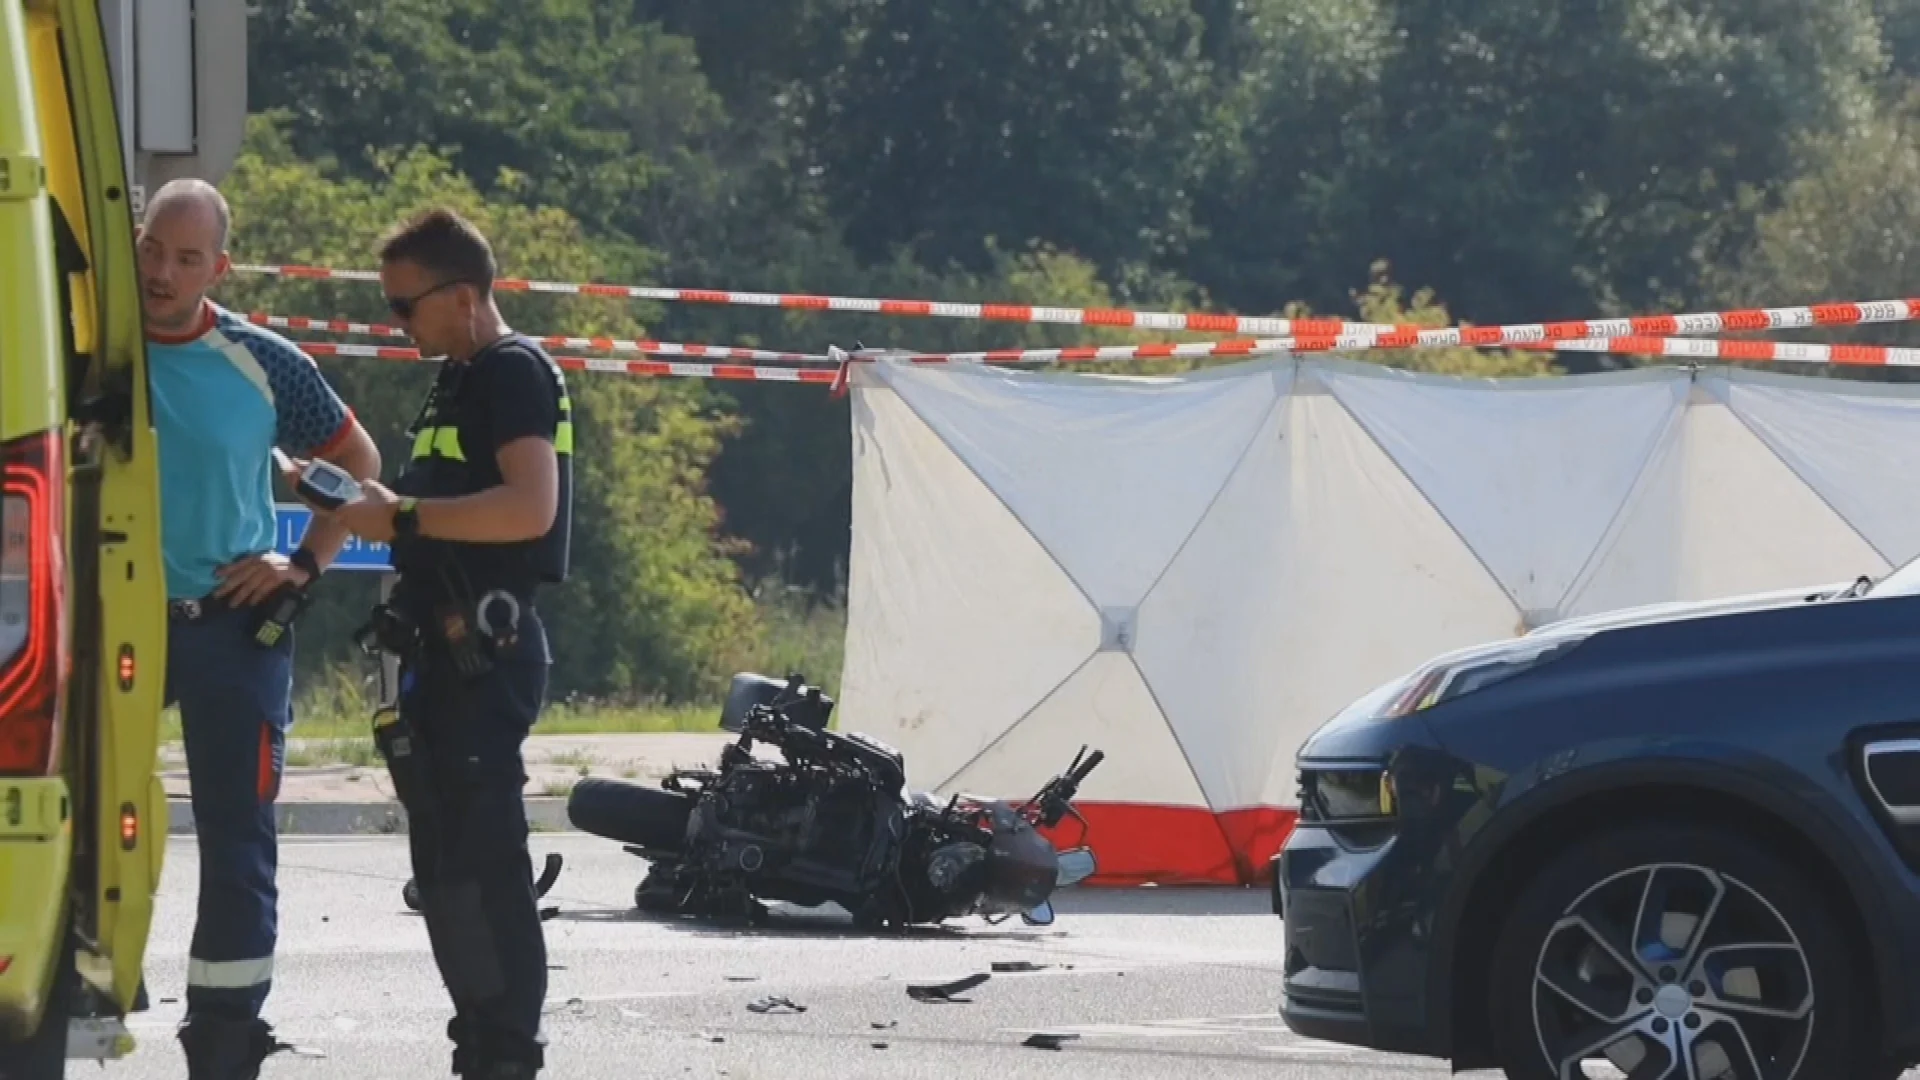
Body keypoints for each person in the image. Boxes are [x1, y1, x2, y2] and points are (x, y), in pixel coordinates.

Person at [313, 207, 573, 1080]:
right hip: (443, 647)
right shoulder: (462, 376)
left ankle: (505, 1054)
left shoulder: (510, 371)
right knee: (449, 863)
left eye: (405, 306)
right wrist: (367, 504)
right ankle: (484, 1045)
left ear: (462, 296)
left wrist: (406, 514)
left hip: (484, 648)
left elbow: (528, 507)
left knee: (483, 864)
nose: (400, 323)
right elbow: (439, 512)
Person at [137, 177, 382, 1079]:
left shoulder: (262, 360)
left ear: (220, 268)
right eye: (153, 249)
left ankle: (226, 1039)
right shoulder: (90, 344)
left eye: (186, 259)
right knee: (71, 814)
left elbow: (358, 467)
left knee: (238, 839)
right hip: (112, 624)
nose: (163, 272)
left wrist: (302, 564)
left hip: (229, 629)